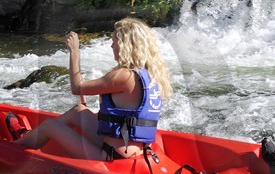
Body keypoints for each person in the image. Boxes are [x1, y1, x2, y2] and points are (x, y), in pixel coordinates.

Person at [14, 17, 174, 161]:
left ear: (125, 45)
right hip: (133, 149)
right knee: (78, 110)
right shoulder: (149, 74)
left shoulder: (124, 76)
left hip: (113, 155)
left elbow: (77, 88)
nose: (112, 46)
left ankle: (14, 148)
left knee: (50, 125)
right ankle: (31, 138)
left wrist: (74, 51)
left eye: (115, 41)